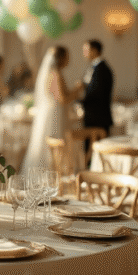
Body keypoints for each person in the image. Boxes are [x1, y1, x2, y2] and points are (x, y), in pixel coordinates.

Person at [20, 46, 80, 174]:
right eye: (67, 56)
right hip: (54, 115)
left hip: (52, 112)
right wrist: (77, 90)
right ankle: (51, 175)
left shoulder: (52, 73)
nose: (69, 60)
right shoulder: (55, 74)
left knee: (50, 145)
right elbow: (62, 99)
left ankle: (53, 174)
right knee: (54, 145)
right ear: (61, 58)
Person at [79, 39, 114, 136]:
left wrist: (79, 101)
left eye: (86, 50)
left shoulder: (102, 70)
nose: (84, 53)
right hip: (92, 117)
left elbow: (97, 93)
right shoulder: (94, 68)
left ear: (94, 50)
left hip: (99, 118)